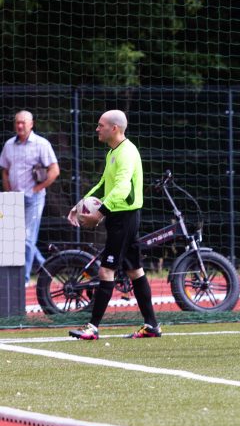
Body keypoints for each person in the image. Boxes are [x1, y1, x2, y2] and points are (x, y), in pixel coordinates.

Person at [66, 110, 160, 340]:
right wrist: (79, 205)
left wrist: (99, 213)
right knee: (134, 270)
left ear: (114, 128)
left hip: (124, 218)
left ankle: (93, 328)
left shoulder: (126, 152)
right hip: (121, 217)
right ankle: (152, 326)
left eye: (101, 125)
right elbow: (103, 184)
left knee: (106, 269)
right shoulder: (113, 152)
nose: (97, 129)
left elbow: (122, 189)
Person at [0, 111, 60, 286]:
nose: (20, 126)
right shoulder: (9, 145)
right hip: (14, 198)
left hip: (34, 198)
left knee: (26, 238)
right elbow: (4, 170)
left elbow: (54, 170)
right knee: (15, 239)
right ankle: (47, 267)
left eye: (23, 123)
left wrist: (37, 189)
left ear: (31, 124)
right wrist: (8, 190)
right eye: (17, 122)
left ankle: (23, 280)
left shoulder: (42, 144)